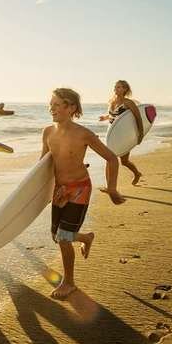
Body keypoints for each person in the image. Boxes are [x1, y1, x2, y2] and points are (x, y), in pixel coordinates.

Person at [42, 88, 125, 299]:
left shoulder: (83, 134)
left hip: (79, 188)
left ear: (71, 108)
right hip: (60, 190)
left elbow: (112, 158)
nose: (52, 108)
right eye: (50, 104)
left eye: (57, 104)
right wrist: (39, 195)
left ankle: (69, 283)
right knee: (57, 236)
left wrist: (112, 187)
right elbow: (43, 166)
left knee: (62, 237)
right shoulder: (47, 133)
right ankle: (86, 237)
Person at [99, 80, 144, 185]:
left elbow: (138, 118)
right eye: (115, 87)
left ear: (125, 89)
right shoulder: (112, 102)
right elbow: (114, 115)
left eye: (119, 87)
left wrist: (140, 134)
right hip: (112, 134)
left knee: (124, 162)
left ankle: (137, 173)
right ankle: (109, 186)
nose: (116, 89)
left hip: (124, 135)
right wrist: (105, 117)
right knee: (109, 159)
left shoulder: (129, 103)